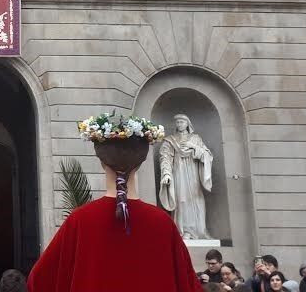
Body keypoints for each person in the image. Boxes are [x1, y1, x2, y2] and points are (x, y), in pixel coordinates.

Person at [28, 111, 200, 292]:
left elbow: (39, 280)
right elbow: (189, 285)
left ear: (102, 162)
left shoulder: (80, 220)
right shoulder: (163, 223)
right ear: (141, 163)